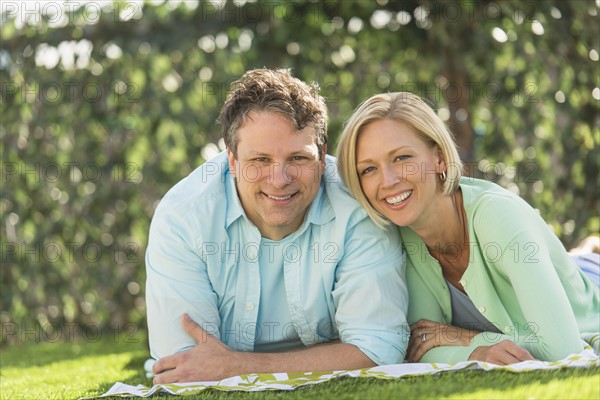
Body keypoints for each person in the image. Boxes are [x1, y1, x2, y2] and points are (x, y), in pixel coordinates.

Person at [145, 69, 409, 383]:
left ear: (322, 158)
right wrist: (332, 356)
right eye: (260, 160)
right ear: (232, 161)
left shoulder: (357, 206)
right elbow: (185, 364)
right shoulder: (183, 218)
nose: (279, 180)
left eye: (298, 158)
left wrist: (236, 367)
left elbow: (378, 348)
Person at [336, 91, 600, 365]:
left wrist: (466, 339)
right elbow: (420, 344)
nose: (387, 180)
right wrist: (474, 347)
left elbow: (562, 352)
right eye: (368, 169)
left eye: (402, 158)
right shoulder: (399, 235)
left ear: (439, 157)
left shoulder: (497, 216)